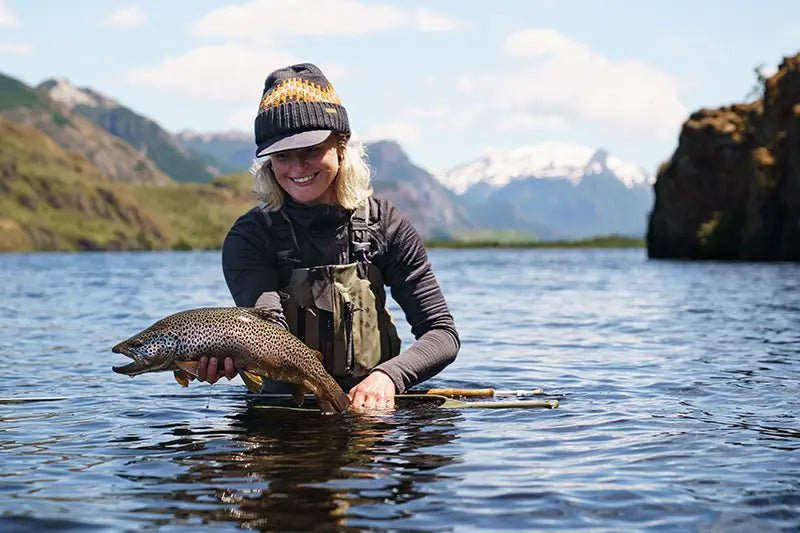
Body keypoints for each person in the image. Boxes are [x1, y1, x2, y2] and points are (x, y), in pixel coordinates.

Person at [197, 62, 459, 410]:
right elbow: (266, 329)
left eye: (310, 150)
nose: (297, 167)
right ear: (267, 163)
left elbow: (442, 334)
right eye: (282, 156)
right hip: (283, 417)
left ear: (341, 145)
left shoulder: (387, 224)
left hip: (374, 418)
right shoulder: (250, 236)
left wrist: (390, 376)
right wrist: (226, 356)